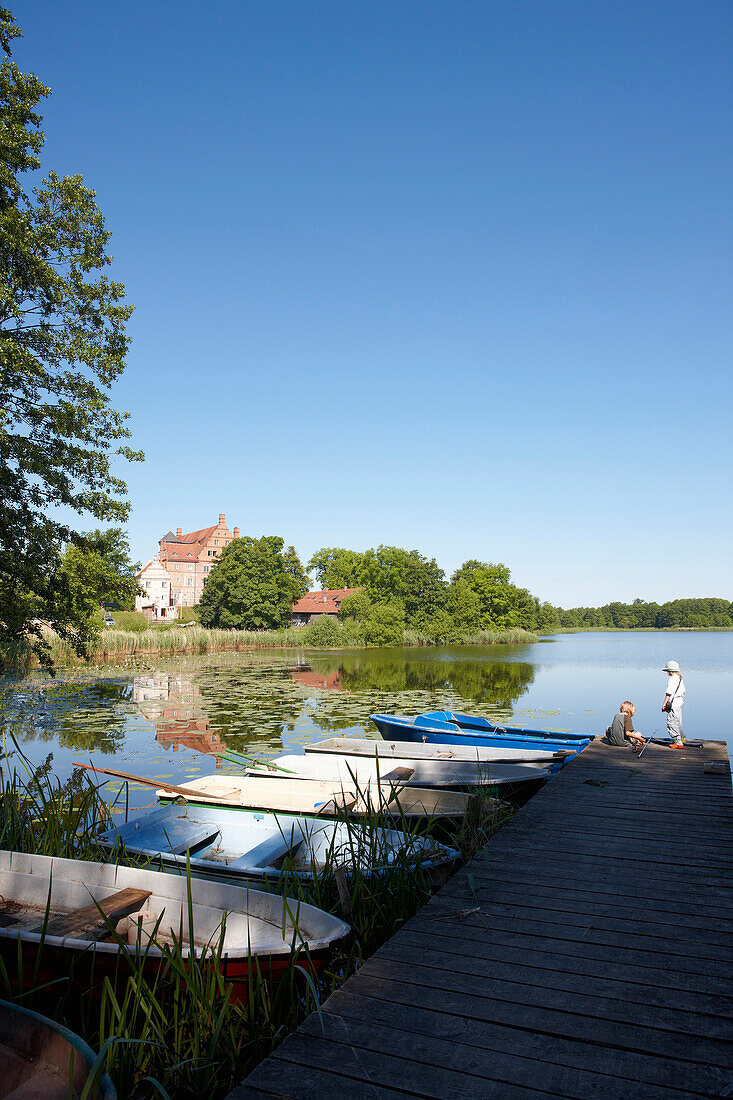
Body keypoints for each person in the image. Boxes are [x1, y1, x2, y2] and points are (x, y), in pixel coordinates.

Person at [662, 659, 685, 748]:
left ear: (670, 671)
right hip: (680, 702)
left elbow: (668, 693)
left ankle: (678, 743)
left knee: (671, 722)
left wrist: (664, 704)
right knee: (678, 721)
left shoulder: (672, 679)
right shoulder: (680, 678)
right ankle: (680, 739)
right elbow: (683, 692)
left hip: (673, 704)